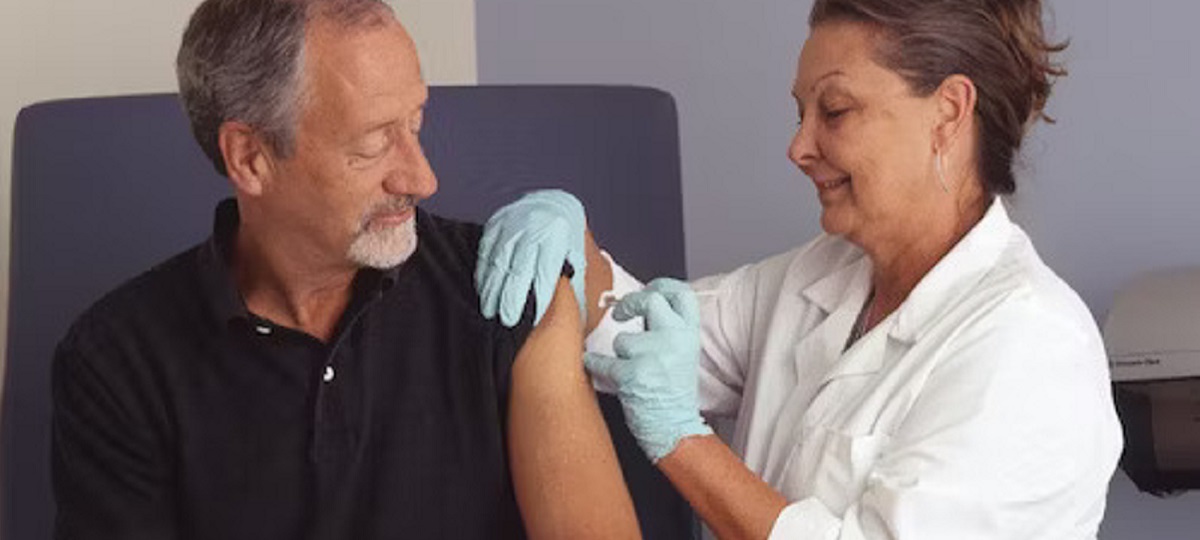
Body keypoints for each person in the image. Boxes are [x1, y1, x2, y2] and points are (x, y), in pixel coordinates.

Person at [475, 0, 1124, 537]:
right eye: (800, 112)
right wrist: (570, 243)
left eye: (834, 111)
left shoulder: (1032, 347)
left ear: (948, 114)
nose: (798, 146)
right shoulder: (822, 275)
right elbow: (642, 337)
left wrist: (680, 438)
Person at [50, 0, 639, 538]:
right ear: (250, 158)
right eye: (373, 144)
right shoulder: (117, 360)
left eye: (415, 123)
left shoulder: (507, 293)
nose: (421, 178)